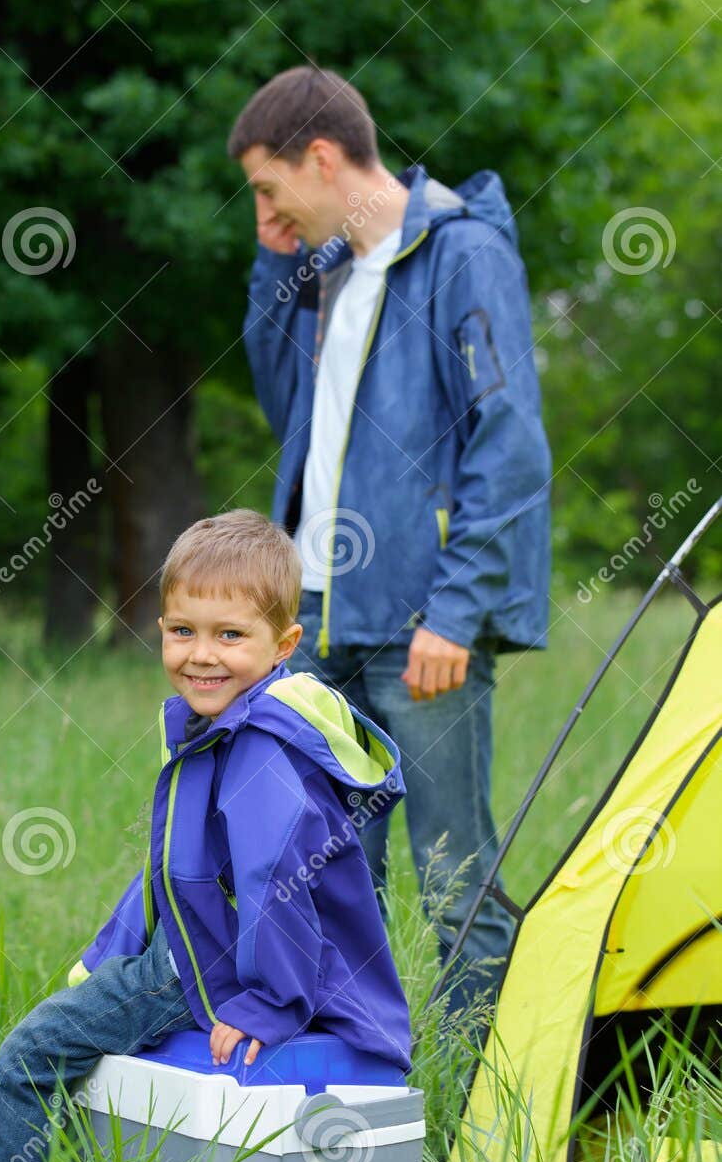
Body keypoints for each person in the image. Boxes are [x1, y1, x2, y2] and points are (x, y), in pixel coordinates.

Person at [0, 509, 409, 1162]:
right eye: (182, 631)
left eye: (229, 636)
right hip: (207, 949)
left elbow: (275, 889)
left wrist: (266, 1005)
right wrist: (105, 954)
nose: (201, 655)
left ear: (283, 645)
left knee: (30, 1058)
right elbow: (174, 873)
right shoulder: (228, 723)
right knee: (85, 1055)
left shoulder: (259, 750)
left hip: (208, 971)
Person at [227, 65, 552, 1036]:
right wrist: (266, 259)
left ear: (319, 158)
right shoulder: (325, 272)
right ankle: (364, 1092)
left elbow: (508, 442)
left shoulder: (461, 256)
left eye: (267, 187)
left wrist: (456, 612)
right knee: (330, 881)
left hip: (421, 626)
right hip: (319, 620)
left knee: (452, 882)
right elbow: (285, 406)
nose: (266, 207)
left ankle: (479, 1116)